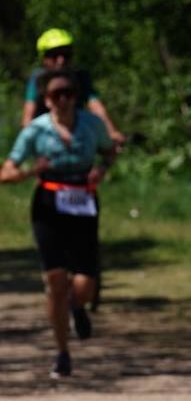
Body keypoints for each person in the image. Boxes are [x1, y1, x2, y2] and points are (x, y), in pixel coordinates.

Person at [1, 67, 117, 378]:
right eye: (56, 94)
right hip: (49, 204)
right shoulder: (36, 131)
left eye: (69, 93)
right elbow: (6, 172)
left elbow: (109, 151)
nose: (63, 100)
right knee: (55, 281)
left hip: (83, 201)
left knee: (84, 285)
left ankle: (76, 306)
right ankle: (62, 352)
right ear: (47, 99)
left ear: (76, 97)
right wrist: (29, 170)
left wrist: (103, 169)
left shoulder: (92, 125)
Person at [21, 28, 126, 148]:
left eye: (66, 54)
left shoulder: (80, 77)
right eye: (54, 55)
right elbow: (27, 117)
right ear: (44, 58)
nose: (61, 60)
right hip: (46, 138)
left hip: (78, 135)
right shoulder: (38, 79)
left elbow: (96, 107)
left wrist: (111, 132)